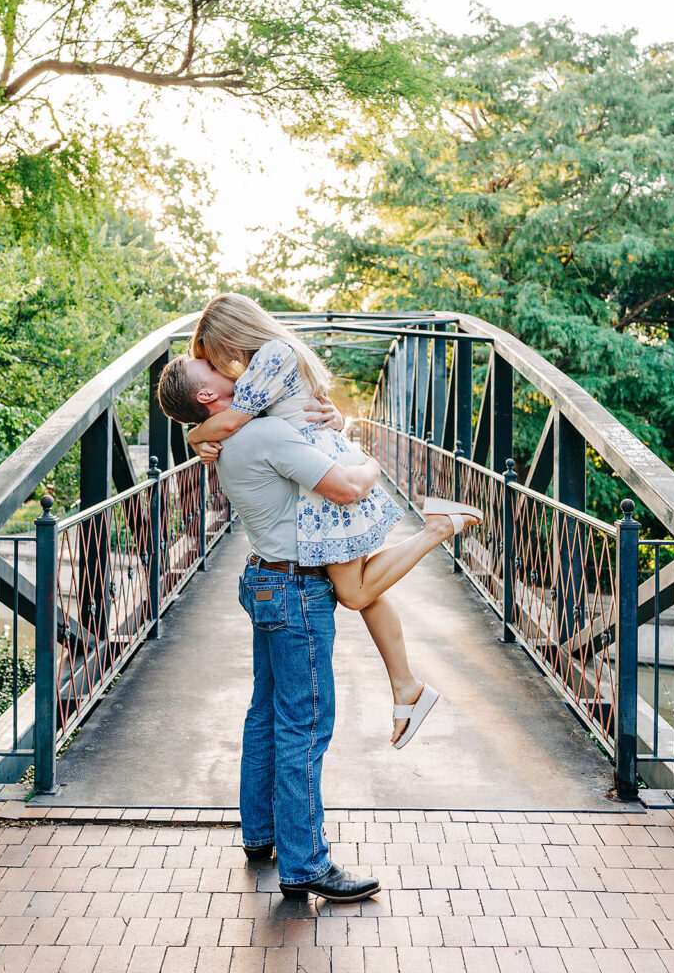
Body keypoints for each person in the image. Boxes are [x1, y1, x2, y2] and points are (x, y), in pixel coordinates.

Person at [180, 294, 481, 748]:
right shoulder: (281, 355)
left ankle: (437, 529)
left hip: (324, 488)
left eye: (216, 357)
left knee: (356, 592)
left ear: (230, 337)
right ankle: (406, 687)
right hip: (319, 475)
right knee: (363, 587)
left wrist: (194, 432)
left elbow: (231, 423)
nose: (222, 370)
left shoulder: (271, 356)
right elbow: (297, 413)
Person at [157, 352, 386, 900]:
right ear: (207, 397)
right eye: (209, 367)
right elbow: (349, 489)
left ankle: (261, 835)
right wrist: (372, 461)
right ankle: (306, 865)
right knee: (304, 725)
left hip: (263, 576)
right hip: (297, 589)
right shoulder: (264, 436)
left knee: (266, 714)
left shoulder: (236, 437)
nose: (225, 365)